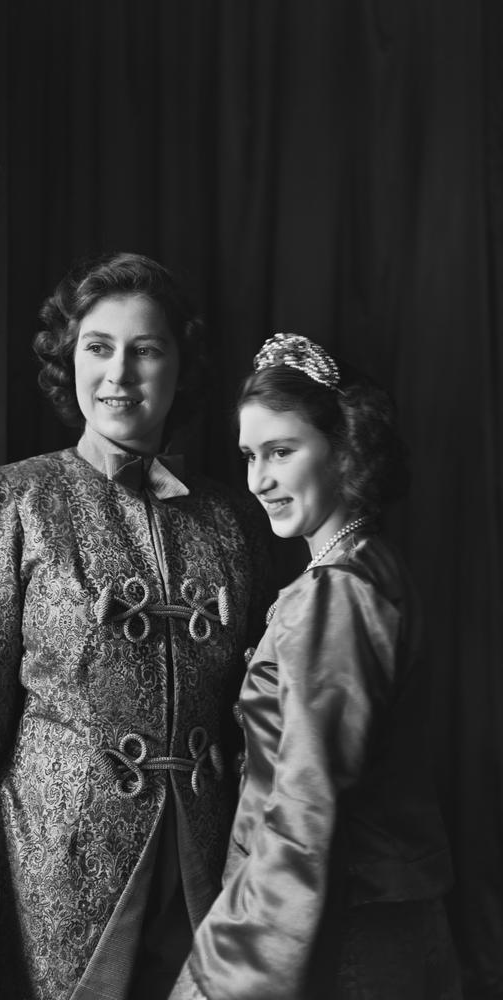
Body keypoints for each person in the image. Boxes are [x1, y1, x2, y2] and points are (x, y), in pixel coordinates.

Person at [0, 253, 271, 1000]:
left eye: (146, 350)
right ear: (68, 361)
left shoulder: (228, 521)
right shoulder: (8, 503)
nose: (119, 375)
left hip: (204, 870)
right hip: (49, 876)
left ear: (179, 366)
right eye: (98, 348)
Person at [169, 333, 462, 1000]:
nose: (259, 480)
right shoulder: (372, 566)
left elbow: (304, 817)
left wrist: (213, 980)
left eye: (282, 451)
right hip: (386, 923)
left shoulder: (334, 595)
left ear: (345, 450)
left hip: (345, 934)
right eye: (249, 455)